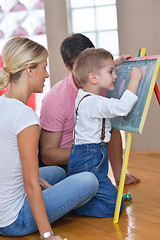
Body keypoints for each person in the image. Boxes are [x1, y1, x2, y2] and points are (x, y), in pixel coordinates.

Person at [0, 37, 99, 239]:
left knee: (55, 172)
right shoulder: (25, 117)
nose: (46, 74)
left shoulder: (3, 103)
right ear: (29, 70)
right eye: (43, 68)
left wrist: (37, 180)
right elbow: (29, 183)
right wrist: (47, 234)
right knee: (89, 180)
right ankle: (43, 221)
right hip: (13, 220)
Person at [40, 33, 140, 185]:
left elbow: (112, 130)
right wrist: (89, 150)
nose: (89, 72)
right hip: (73, 162)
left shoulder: (103, 82)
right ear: (68, 68)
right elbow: (48, 155)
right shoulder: (55, 99)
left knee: (108, 123)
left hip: (95, 160)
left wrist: (120, 176)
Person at [67, 48, 143, 217]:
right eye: (111, 72)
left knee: (110, 196)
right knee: (114, 207)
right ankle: (73, 207)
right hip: (90, 159)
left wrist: (118, 63)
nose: (115, 76)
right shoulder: (94, 102)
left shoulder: (83, 95)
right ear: (93, 78)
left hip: (86, 156)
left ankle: (78, 199)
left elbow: (96, 70)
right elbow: (122, 107)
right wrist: (135, 79)